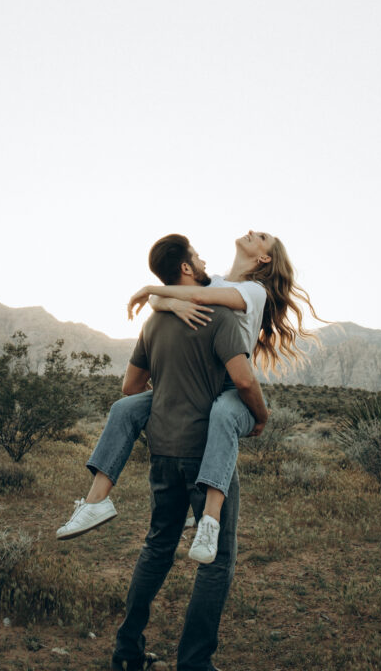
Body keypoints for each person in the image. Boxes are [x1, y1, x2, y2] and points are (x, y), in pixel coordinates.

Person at [57, 231, 320, 562]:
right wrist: (168, 301)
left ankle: (208, 521)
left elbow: (195, 298)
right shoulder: (215, 281)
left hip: (227, 386)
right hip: (195, 383)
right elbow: (172, 299)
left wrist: (155, 291)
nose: (253, 232)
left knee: (223, 414)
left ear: (264, 258)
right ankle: (96, 502)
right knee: (125, 408)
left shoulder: (254, 292)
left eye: (262, 237)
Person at [109, 235, 267, 671]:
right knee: (216, 561)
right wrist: (260, 418)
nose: (202, 260)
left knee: (158, 545)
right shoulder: (223, 314)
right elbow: (245, 379)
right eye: (195, 256)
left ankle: (126, 652)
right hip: (206, 450)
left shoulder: (156, 321)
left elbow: (130, 389)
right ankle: (194, 663)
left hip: (163, 448)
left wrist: (161, 301)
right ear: (185, 271)